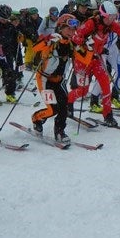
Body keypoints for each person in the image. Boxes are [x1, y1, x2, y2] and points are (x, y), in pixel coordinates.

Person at [71, 2, 120, 127]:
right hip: (83, 60)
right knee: (83, 91)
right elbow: (75, 37)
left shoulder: (111, 24)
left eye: (113, 17)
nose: (112, 19)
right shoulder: (91, 23)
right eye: (109, 17)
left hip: (97, 59)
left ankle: (108, 115)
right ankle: (68, 103)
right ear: (102, 15)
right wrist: (85, 41)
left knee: (105, 85)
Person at [30, 14, 79, 145]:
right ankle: (36, 118)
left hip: (60, 80)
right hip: (45, 80)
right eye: (68, 28)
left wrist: (90, 49)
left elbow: (83, 58)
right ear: (60, 28)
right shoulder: (52, 41)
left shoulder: (70, 44)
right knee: (52, 110)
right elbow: (35, 48)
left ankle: (59, 131)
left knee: (64, 107)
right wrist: (48, 40)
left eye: (73, 29)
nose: (71, 32)